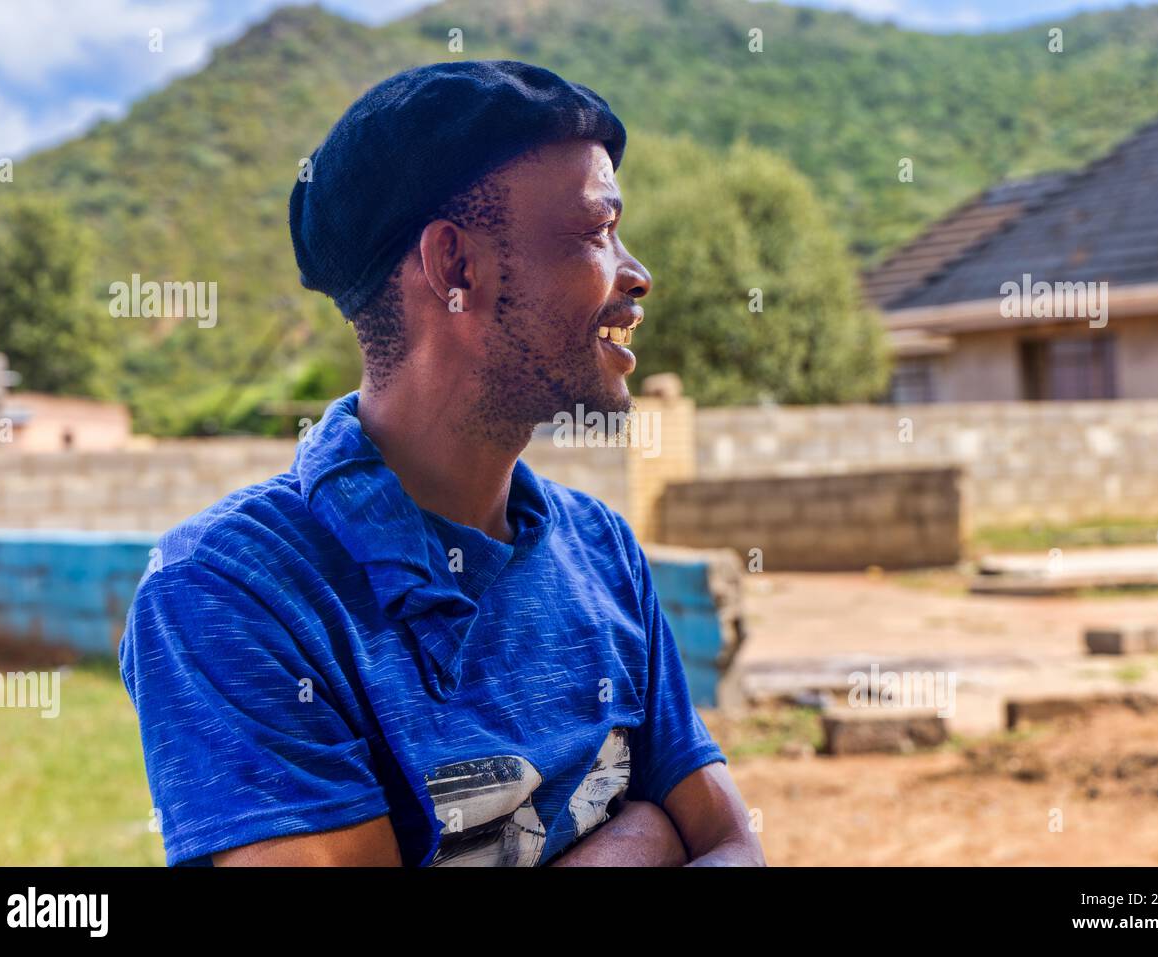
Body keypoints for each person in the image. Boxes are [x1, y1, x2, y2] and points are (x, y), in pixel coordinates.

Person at [119, 59, 764, 867]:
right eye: (596, 231)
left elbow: (735, 843)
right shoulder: (231, 592)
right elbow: (691, 837)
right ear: (455, 268)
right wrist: (639, 839)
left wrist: (679, 836)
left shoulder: (601, 547)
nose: (637, 273)